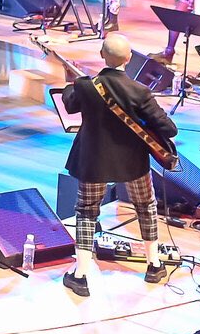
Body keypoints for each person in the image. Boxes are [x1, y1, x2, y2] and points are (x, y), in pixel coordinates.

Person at [58, 33, 176, 295]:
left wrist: (70, 83)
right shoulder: (140, 91)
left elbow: (70, 104)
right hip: (133, 162)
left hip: (94, 161)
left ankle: (80, 275)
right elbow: (169, 129)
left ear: (102, 55)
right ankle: (154, 264)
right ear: (129, 58)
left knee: (86, 212)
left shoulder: (86, 86)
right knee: (145, 206)